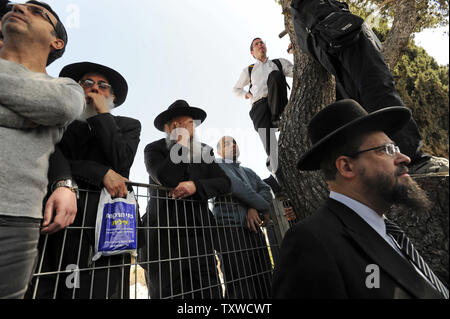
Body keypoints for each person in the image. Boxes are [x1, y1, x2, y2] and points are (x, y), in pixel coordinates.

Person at [272, 99, 449, 299]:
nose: (404, 158)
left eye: (396, 147)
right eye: (387, 150)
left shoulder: (388, 232)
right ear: (346, 167)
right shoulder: (310, 244)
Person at [289, 0, 449, 174]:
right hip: (333, 24)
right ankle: (414, 161)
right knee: (377, 86)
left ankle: (392, 165)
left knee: (365, 103)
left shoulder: (300, 16)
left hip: (325, 33)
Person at [30, 62, 141, 299]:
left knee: (103, 288)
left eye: (102, 86)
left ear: (112, 96)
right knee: (48, 285)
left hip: (107, 226)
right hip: (58, 218)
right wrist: (99, 172)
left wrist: (103, 115)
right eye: (87, 83)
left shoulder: (127, 125)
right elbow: (47, 155)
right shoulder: (63, 123)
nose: (94, 89)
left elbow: (120, 162)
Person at [0, 1, 84, 298]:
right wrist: (27, 117)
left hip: (16, 217)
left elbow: (61, 107)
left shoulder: (67, 89)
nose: (19, 7)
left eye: (36, 12)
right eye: (17, 5)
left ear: (56, 41)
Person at [142, 100, 231, 299]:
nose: (189, 128)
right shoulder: (154, 149)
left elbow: (225, 183)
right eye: (182, 124)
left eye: (191, 124)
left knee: (209, 293)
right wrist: (179, 143)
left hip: (198, 238)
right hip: (164, 237)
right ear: (171, 127)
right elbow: (167, 177)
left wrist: (196, 186)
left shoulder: (205, 151)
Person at [213, 136, 273, 298]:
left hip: (254, 231)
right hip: (231, 232)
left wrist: (254, 208)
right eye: (227, 143)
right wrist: (264, 207)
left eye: (235, 142)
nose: (233, 145)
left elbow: (266, 188)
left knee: (265, 280)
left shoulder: (249, 172)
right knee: (240, 287)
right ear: (219, 151)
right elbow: (238, 188)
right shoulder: (218, 165)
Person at [233, 37, 293, 175]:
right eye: (256, 44)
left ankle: (277, 117)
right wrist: (246, 95)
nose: (260, 45)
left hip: (276, 102)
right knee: (270, 145)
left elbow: (297, 72)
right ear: (252, 52)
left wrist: (296, 52)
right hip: (258, 106)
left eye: (262, 43)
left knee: (275, 75)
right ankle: (279, 175)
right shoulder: (249, 70)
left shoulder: (278, 62)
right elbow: (236, 89)